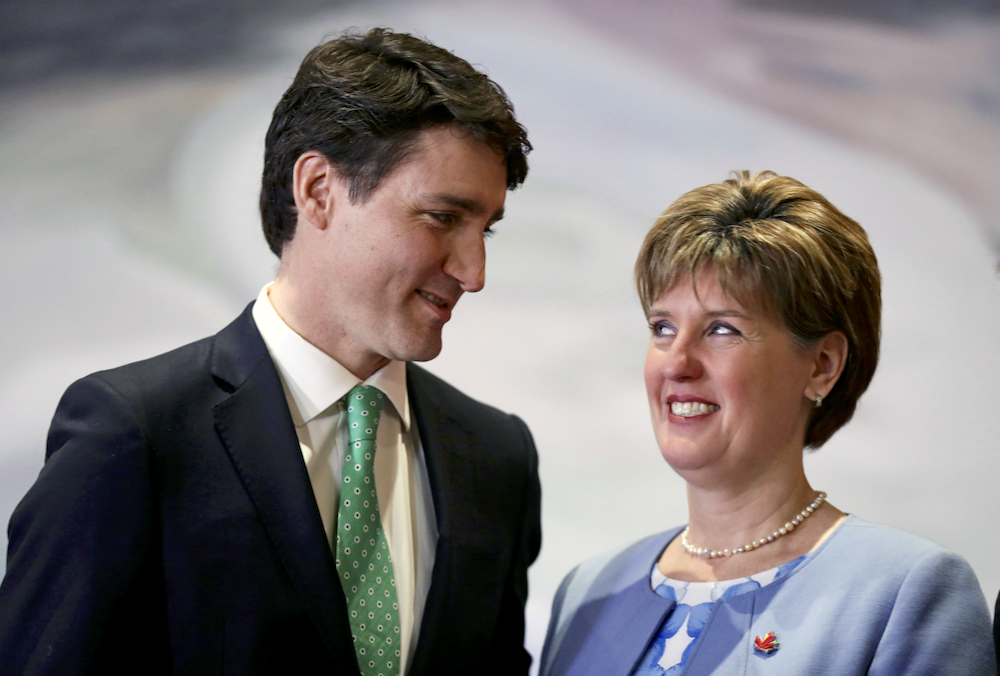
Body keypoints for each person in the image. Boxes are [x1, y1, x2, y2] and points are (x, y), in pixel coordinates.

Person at [0, 28, 540, 675]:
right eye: (443, 218)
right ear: (316, 190)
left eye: (486, 229)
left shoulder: (497, 459)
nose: (474, 270)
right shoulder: (134, 436)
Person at [539, 171, 995, 675]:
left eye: (722, 329)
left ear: (822, 364)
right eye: (662, 327)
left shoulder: (903, 593)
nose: (676, 362)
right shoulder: (590, 591)